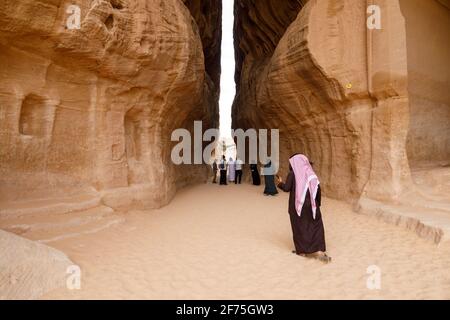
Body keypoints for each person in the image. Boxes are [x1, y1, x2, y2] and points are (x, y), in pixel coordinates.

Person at [277, 154, 331, 263]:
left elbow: (287, 188)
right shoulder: (311, 173)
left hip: (297, 206)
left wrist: (280, 183)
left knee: (299, 228)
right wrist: (317, 205)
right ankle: (319, 250)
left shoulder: (293, 174)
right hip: (312, 205)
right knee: (315, 227)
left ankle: (302, 251)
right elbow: (318, 189)